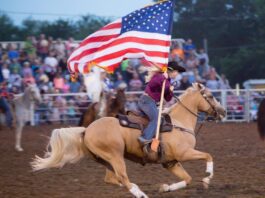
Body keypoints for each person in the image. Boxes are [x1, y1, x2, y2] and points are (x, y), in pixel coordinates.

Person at [137, 61, 186, 145]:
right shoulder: (160, 76)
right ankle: (145, 138)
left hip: (150, 103)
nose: (177, 74)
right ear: (172, 71)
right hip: (147, 101)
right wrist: (163, 77)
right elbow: (152, 84)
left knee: (156, 119)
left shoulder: (167, 81)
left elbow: (168, 98)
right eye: (176, 71)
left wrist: (170, 91)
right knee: (156, 119)